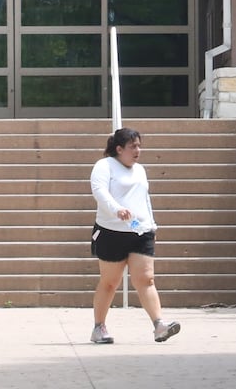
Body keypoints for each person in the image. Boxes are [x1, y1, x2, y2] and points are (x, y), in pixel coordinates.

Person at [89, 127, 181, 344]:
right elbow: (99, 191)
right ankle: (98, 327)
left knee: (146, 279)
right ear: (119, 149)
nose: (138, 150)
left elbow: (144, 198)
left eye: (139, 145)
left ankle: (159, 325)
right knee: (110, 282)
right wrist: (116, 209)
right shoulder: (104, 166)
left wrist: (152, 226)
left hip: (140, 232)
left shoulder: (140, 170)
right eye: (133, 146)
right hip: (111, 232)